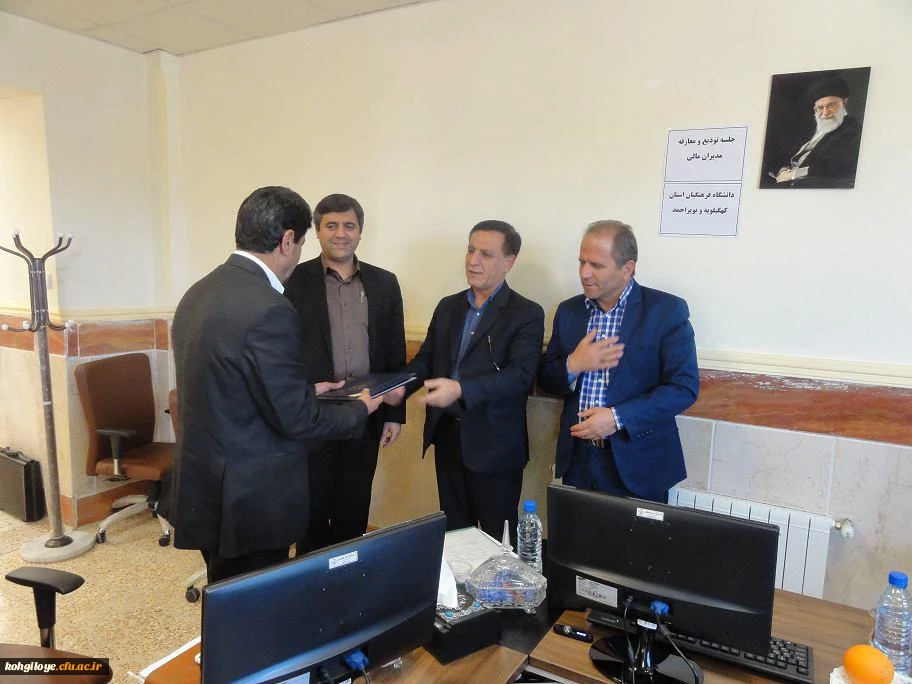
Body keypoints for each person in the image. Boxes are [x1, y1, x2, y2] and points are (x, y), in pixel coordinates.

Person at [168, 186, 382, 584]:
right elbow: (298, 421)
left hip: (205, 482)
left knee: (226, 589)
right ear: (287, 240)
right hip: (250, 496)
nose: (298, 253)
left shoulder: (199, 292)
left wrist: (306, 390)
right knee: (255, 598)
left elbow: (233, 387)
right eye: (300, 243)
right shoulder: (270, 308)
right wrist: (360, 408)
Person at [538, 220, 698, 503]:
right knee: (579, 533)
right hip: (578, 460)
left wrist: (616, 418)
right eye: (581, 262)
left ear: (627, 268)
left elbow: (682, 388)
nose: (584, 273)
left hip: (640, 462)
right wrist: (573, 365)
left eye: (596, 265)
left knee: (636, 536)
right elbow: (547, 380)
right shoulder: (569, 311)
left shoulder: (666, 311)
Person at [405, 220, 544, 541]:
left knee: (498, 541)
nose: (473, 260)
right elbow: (426, 360)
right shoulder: (448, 306)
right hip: (448, 437)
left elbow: (519, 377)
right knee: (455, 537)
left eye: (485, 254)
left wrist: (460, 389)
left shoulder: (526, 313)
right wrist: (397, 387)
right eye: (470, 250)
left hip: (495, 446)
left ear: (508, 262)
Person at [284, 193, 406, 554]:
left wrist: (395, 414)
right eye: (331, 225)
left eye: (349, 225)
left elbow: (395, 352)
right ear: (318, 231)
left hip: (367, 412)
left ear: (360, 232)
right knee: (312, 511)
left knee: (353, 508)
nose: (341, 233)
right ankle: (310, 578)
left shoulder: (384, 283)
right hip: (314, 413)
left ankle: (349, 577)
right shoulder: (293, 280)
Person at [772, 75, 862, 188]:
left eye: (830, 106)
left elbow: (836, 167)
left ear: (844, 103)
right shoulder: (810, 129)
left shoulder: (852, 130)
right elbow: (788, 155)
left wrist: (792, 175)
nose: (825, 113)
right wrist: (783, 170)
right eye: (819, 108)